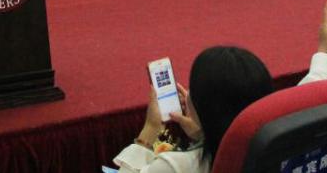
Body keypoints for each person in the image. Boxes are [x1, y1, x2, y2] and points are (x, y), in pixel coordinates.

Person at [113, 46, 273, 173]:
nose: (188, 93)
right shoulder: (273, 147)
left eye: (193, 89)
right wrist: (202, 134)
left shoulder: (176, 165)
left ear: (205, 107)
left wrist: (150, 129)